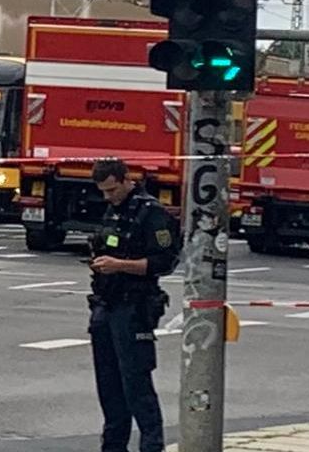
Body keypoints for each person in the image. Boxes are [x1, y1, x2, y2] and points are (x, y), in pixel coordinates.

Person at [87, 158, 180, 452]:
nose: (108, 197)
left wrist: (120, 265)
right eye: (103, 191)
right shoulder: (114, 210)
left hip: (134, 306)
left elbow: (164, 262)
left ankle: (151, 446)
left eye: (112, 190)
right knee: (108, 384)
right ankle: (113, 446)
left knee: (136, 384)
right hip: (106, 303)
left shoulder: (151, 213)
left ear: (126, 179)